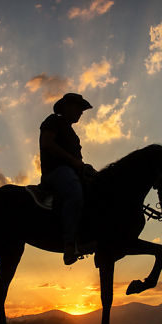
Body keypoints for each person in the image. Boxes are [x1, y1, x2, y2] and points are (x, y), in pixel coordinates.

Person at [39, 93, 96, 265]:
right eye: (79, 108)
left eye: (82, 109)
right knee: (74, 193)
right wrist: (73, 162)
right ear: (66, 107)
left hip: (71, 172)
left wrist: (84, 167)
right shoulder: (52, 121)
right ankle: (70, 244)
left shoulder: (73, 134)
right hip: (56, 172)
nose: (81, 112)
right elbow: (46, 144)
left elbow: (77, 161)